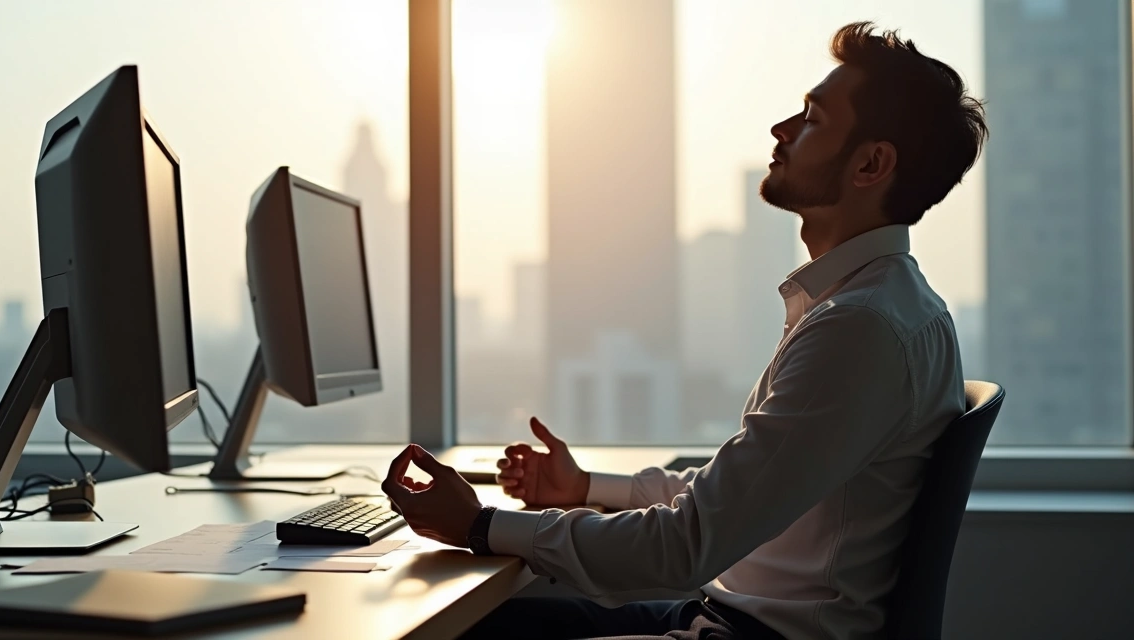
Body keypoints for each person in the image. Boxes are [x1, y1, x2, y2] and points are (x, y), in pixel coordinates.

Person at [381, 21, 988, 640]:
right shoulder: (876, 305)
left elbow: (685, 545)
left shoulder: (859, 330)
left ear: (871, 163)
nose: (781, 130)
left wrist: (478, 525)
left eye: (811, 117)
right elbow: (729, 498)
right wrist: (585, 487)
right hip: (728, 618)